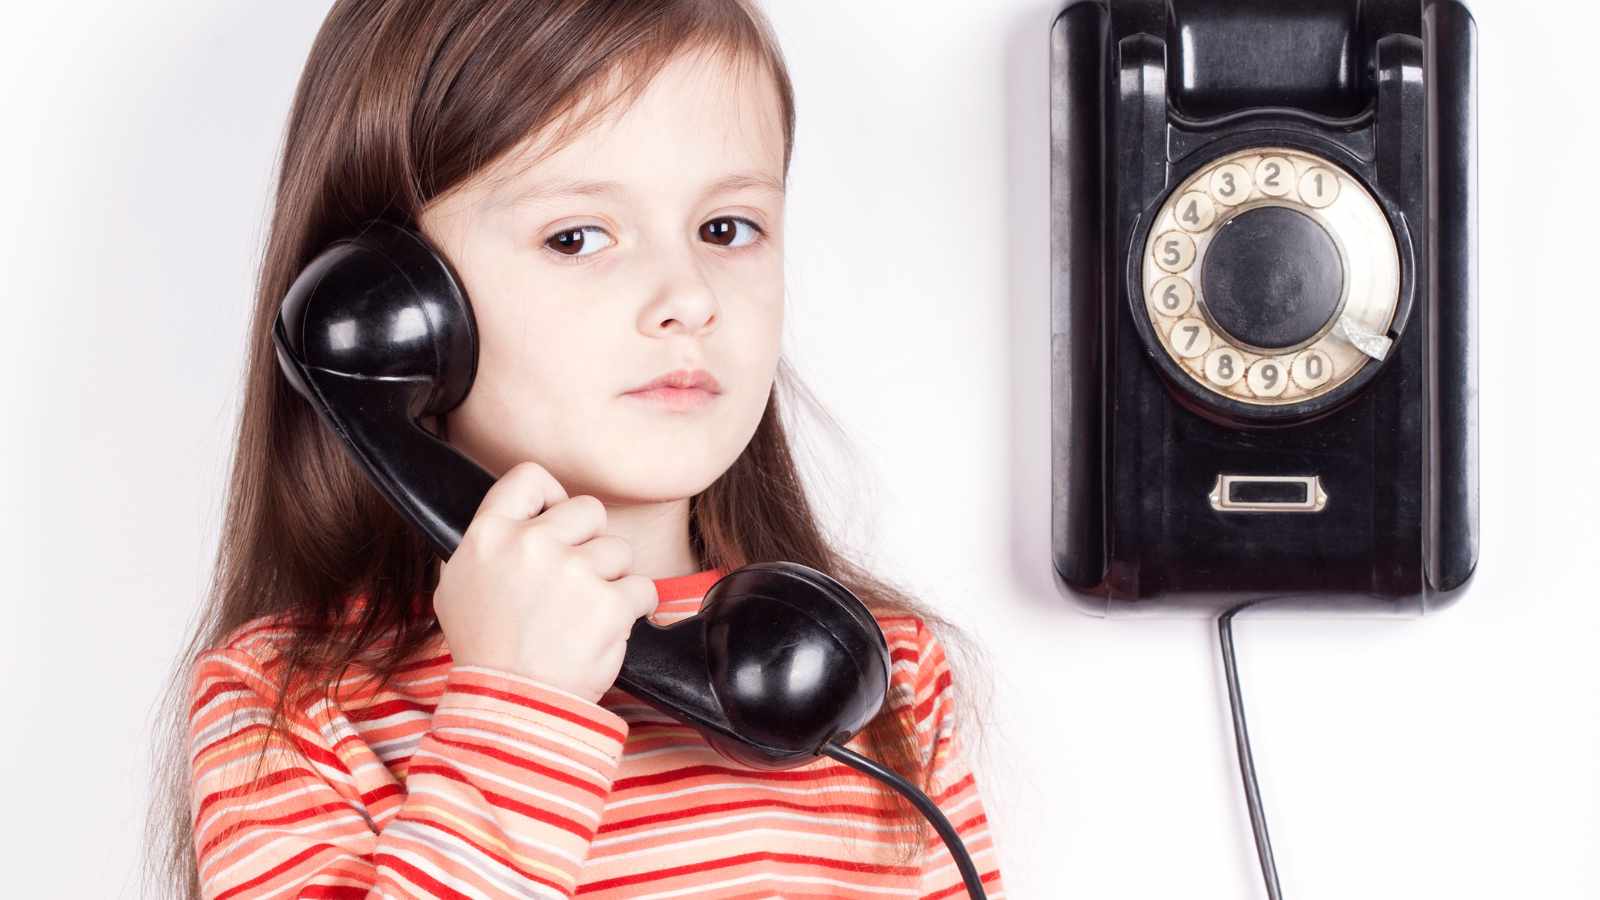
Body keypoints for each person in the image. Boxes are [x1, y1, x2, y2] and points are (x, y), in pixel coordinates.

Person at [142, 1, 1007, 897]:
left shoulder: (871, 681)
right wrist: (518, 713)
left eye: (726, 229)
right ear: (388, 305)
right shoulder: (289, 707)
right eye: (577, 237)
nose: (689, 298)